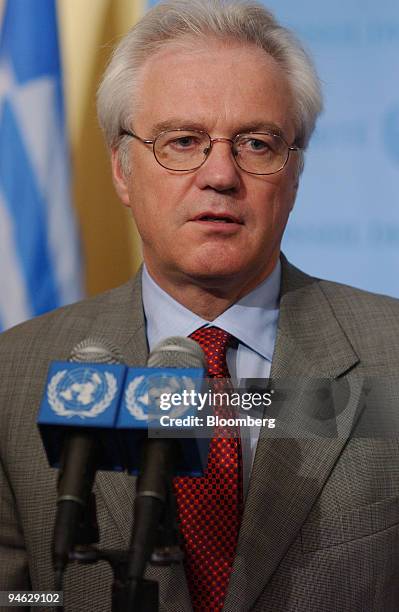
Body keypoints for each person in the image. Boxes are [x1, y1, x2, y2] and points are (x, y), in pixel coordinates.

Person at [0, 1, 398, 610]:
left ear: (294, 175)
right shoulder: (13, 374)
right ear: (122, 170)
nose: (220, 175)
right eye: (181, 141)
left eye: (257, 144)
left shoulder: (390, 355)